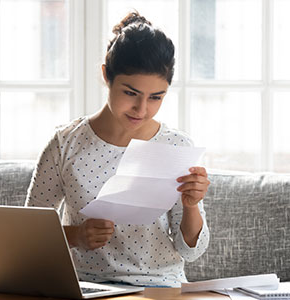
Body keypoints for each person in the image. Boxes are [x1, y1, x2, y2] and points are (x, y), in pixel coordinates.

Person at [25, 11, 210, 287]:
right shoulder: (66, 144)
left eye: (156, 97)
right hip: (87, 286)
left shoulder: (176, 146)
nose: (142, 109)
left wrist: (191, 206)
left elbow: (191, 251)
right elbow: (27, 234)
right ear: (106, 76)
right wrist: (76, 236)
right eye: (130, 93)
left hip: (159, 287)